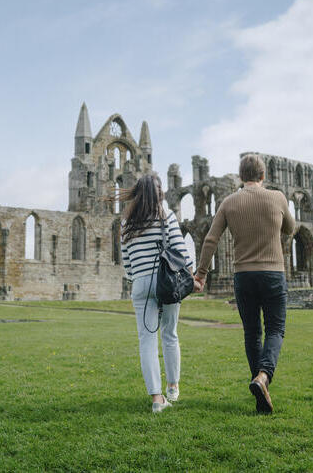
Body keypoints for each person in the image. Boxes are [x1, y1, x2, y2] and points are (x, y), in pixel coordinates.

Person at [193, 154, 295, 414]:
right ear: (263, 176)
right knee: (275, 329)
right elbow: (290, 229)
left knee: (252, 333)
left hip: (243, 276)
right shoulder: (278, 197)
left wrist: (201, 274)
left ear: (241, 177)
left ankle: (260, 388)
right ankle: (263, 377)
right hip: (273, 273)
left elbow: (210, 240)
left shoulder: (229, 202)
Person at [119, 173, 199, 413]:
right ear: (159, 192)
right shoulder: (166, 216)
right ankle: (173, 386)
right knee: (170, 333)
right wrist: (191, 278)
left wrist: (139, 278)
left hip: (140, 284)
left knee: (146, 340)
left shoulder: (126, 222)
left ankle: (157, 399)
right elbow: (180, 253)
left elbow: (127, 263)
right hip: (166, 281)